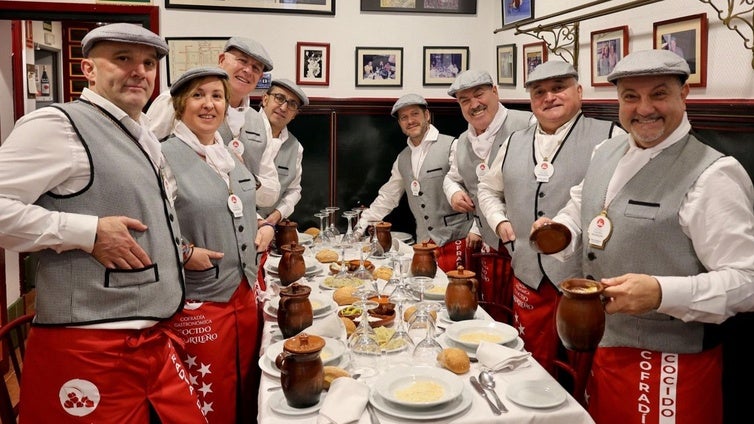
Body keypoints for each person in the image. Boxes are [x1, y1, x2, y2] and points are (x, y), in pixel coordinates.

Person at [533, 49, 754, 424]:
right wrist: (563, 230)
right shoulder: (607, 149)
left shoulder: (714, 175)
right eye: (631, 96)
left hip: (670, 365)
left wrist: (661, 293)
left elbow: (747, 282)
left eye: (659, 94)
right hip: (607, 347)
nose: (644, 108)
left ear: (684, 95)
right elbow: (582, 202)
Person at [0, 23, 207, 422]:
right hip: (90, 347)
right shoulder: (58, 125)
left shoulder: (142, 131)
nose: (139, 71)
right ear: (88, 70)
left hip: (153, 340)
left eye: (148, 63)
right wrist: (87, 232)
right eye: (123, 59)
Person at [477, 61, 624, 374]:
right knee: (528, 366)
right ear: (531, 100)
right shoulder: (513, 142)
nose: (549, 97)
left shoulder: (611, 137)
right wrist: (499, 222)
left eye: (559, 88)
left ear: (579, 92)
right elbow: (487, 190)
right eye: (539, 92)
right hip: (528, 275)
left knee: (585, 372)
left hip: (585, 283)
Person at [159, 67, 273, 423]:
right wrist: (184, 252)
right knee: (209, 398)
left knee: (247, 387)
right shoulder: (163, 156)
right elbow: (147, 224)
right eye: (198, 95)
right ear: (180, 105)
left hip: (245, 295)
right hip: (200, 302)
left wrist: (264, 226)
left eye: (217, 96)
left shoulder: (228, 156)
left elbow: (242, 206)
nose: (209, 104)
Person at [147, 37, 281, 220]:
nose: (248, 70)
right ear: (221, 60)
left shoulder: (260, 122)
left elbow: (271, 192)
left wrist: (246, 178)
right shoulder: (171, 102)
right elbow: (147, 162)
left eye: (256, 68)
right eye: (242, 60)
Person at [443, 69, 535, 303]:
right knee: (496, 310)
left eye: (479, 94)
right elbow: (452, 177)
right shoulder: (462, 141)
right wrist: (454, 193)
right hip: (491, 244)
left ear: (495, 91)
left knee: (527, 313)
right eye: (465, 100)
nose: (474, 104)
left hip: (529, 244)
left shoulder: (528, 124)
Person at [355, 94, 473, 271]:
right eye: (404, 117)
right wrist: (361, 225)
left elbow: (475, 190)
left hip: (457, 240)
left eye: (414, 114)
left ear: (427, 115)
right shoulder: (402, 158)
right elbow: (388, 196)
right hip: (423, 244)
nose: (410, 120)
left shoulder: (452, 146)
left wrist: (477, 230)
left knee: (454, 296)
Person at [238, 78, 308, 226]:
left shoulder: (295, 147)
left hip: (269, 228)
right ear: (265, 99)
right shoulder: (240, 124)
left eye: (292, 104)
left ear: (295, 114)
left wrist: (278, 214)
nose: (283, 107)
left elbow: (294, 190)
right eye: (279, 98)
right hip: (237, 220)